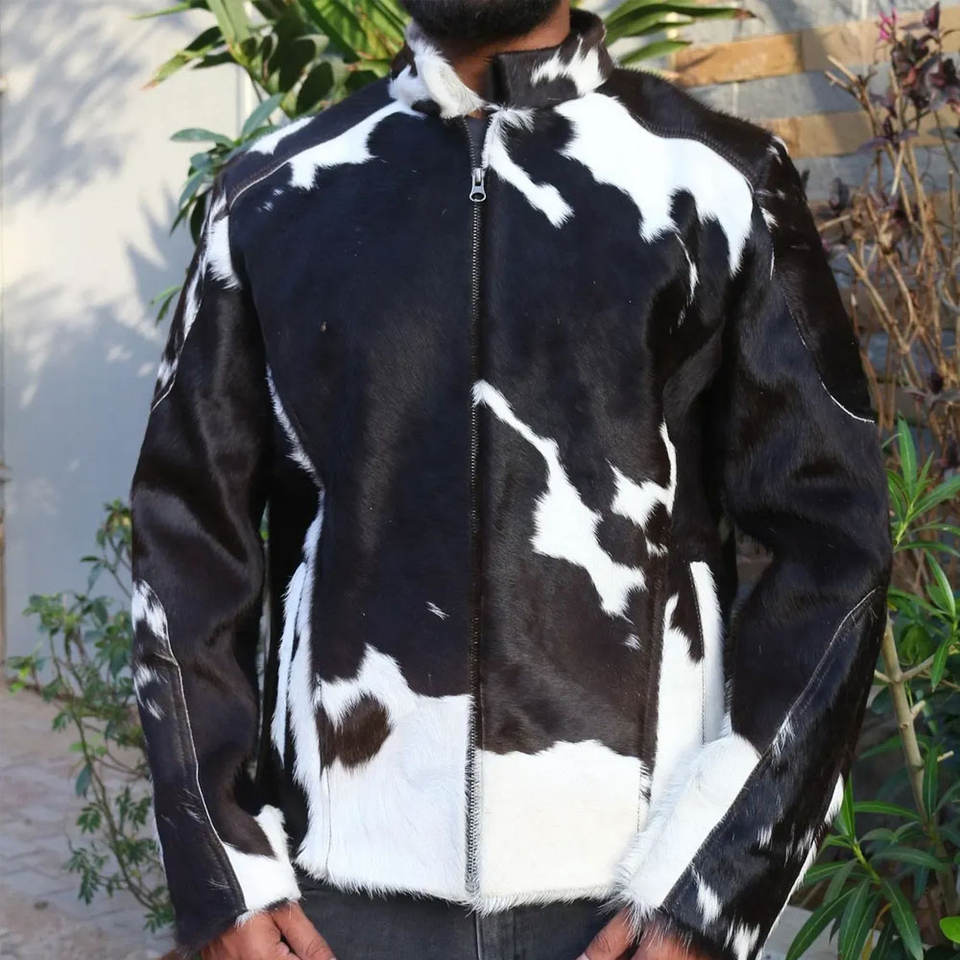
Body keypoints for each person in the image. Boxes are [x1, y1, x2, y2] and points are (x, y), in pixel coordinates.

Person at [127, 0, 894, 958]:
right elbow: (186, 537)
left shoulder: (717, 181)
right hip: (337, 902)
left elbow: (836, 544)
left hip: (635, 896)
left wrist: (720, 886)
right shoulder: (276, 193)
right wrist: (225, 871)